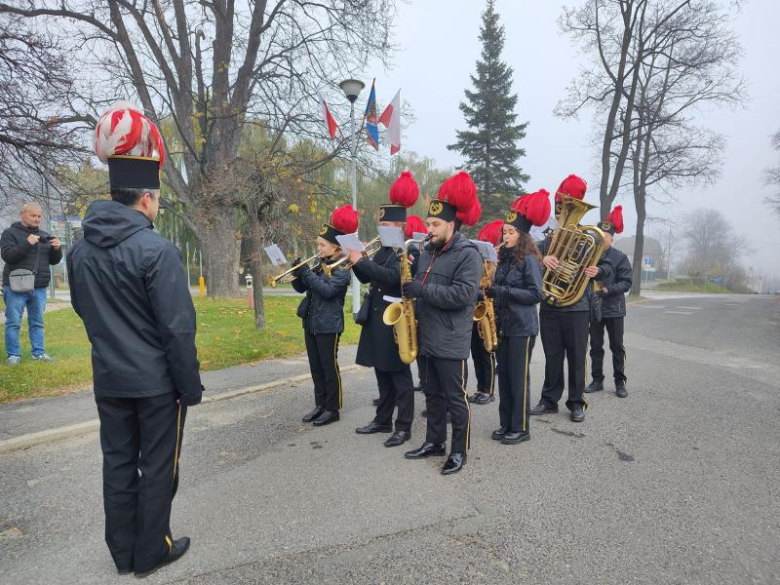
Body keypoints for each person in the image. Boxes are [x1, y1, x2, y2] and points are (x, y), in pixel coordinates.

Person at [67, 102, 203, 578]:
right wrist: (191, 386)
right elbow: (177, 330)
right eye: (158, 197)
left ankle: (122, 553)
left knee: (119, 465)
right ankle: (151, 551)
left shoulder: (79, 250)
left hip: (109, 377)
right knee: (158, 467)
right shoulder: (157, 250)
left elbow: (87, 313)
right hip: (155, 384)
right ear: (146, 198)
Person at [403, 172, 483, 475]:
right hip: (426, 336)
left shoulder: (468, 254)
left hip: (450, 339)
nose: (429, 229)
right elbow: (420, 287)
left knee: (455, 399)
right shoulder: (427, 252)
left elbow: (464, 295)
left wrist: (423, 290)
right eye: (428, 224)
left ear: (451, 225)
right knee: (432, 394)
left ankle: (459, 451)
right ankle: (434, 442)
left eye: (435, 225)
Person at [530, 175, 611, 423]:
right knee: (552, 356)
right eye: (563, 208)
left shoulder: (591, 238)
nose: (564, 213)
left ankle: (576, 402)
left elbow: (607, 265)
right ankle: (549, 399)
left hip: (577, 306)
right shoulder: (546, 241)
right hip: (551, 305)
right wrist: (543, 260)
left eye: (568, 209)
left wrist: (599, 271)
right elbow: (531, 262)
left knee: (577, 357)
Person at [352, 172, 418, 447]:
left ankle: (403, 426)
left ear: (400, 226)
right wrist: (357, 260)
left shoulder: (406, 251)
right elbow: (369, 277)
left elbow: (393, 277)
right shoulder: (382, 249)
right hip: (378, 318)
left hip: (395, 321)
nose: (382, 228)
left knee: (399, 378)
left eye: (387, 224)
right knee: (381, 373)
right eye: (381, 223)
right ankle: (382, 420)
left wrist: (363, 261)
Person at [489, 192, 548, 444]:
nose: (505, 236)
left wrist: (501, 290)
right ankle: (506, 423)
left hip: (522, 328)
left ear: (522, 235)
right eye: (504, 232)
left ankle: (521, 427)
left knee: (517, 377)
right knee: (504, 377)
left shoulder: (529, 261)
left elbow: (536, 294)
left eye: (511, 232)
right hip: (503, 325)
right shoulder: (503, 259)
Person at [292, 205, 356, 427]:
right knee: (316, 368)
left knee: (329, 368)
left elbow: (327, 291)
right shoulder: (319, 265)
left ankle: (333, 408)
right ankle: (320, 405)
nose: (318, 248)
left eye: (322, 245)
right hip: (311, 322)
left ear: (335, 246)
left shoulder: (342, 268)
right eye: (318, 244)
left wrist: (307, 274)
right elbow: (302, 289)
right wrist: (296, 273)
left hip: (329, 325)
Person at [1, 202, 62, 364]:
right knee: (13, 322)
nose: (37, 219)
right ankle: (13, 355)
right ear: (22, 214)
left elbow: (53, 261)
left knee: (37, 323)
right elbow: (8, 256)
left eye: (39, 216)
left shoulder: (44, 234)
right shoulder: (9, 233)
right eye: (33, 215)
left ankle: (39, 354)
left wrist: (57, 249)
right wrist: (28, 242)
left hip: (39, 287)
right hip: (15, 286)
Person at [586, 205, 633, 397]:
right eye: (599, 236)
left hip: (614, 308)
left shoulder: (620, 257)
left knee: (616, 347)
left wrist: (607, 290)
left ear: (612, 239)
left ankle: (620, 382)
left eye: (605, 236)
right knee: (595, 347)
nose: (602, 239)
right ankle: (597, 380)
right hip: (594, 307)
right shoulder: (589, 255)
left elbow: (626, 283)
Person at [469, 219, 503, 405]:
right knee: (476, 352)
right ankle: (480, 388)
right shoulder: (479, 265)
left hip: (490, 312)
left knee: (486, 352)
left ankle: (488, 391)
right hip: (476, 311)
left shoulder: (497, 267)